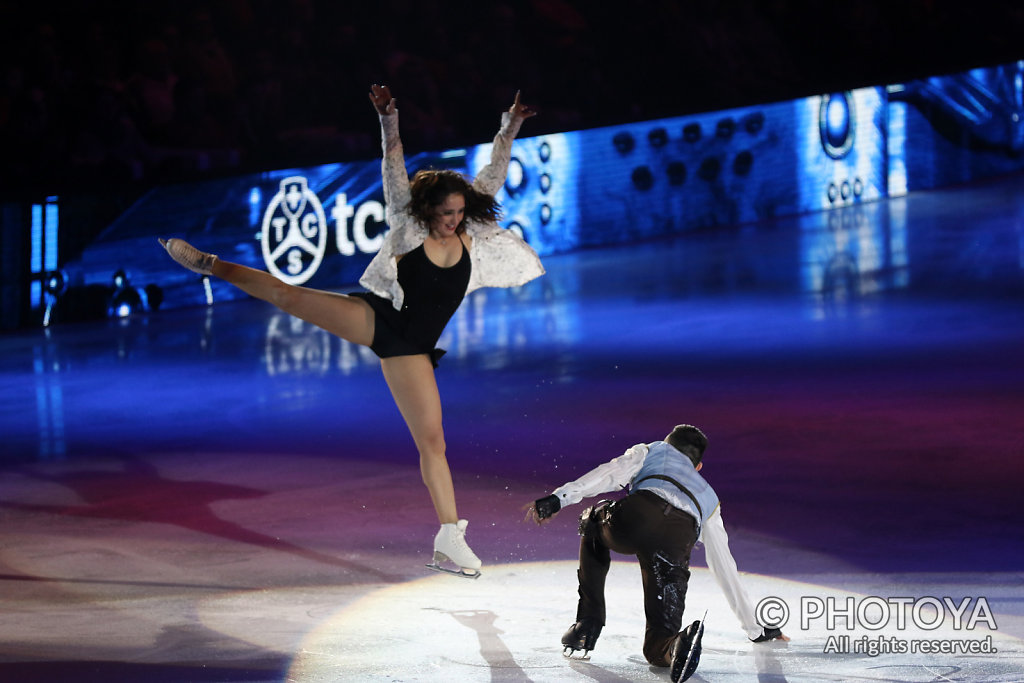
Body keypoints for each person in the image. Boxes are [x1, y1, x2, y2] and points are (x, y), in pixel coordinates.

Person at [160, 84, 544, 578]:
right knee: (291, 295)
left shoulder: (468, 229)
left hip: (413, 347)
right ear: (427, 210)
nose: (452, 220)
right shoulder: (408, 229)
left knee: (433, 444)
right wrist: (389, 118)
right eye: (444, 212)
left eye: (457, 212)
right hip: (379, 318)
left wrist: (510, 125)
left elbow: (492, 173)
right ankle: (210, 264)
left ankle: (449, 538)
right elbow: (393, 163)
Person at [525, 424, 788, 682]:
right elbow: (724, 566)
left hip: (636, 518)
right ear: (698, 467)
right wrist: (756, 630)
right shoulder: (710, 498)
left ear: (668, 444)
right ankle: (674, 646)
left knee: (593, 520)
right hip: (677, 541)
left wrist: (561, 497)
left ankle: (587, 625)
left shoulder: (654, 450)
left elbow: (611, 472)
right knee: (657, 649)